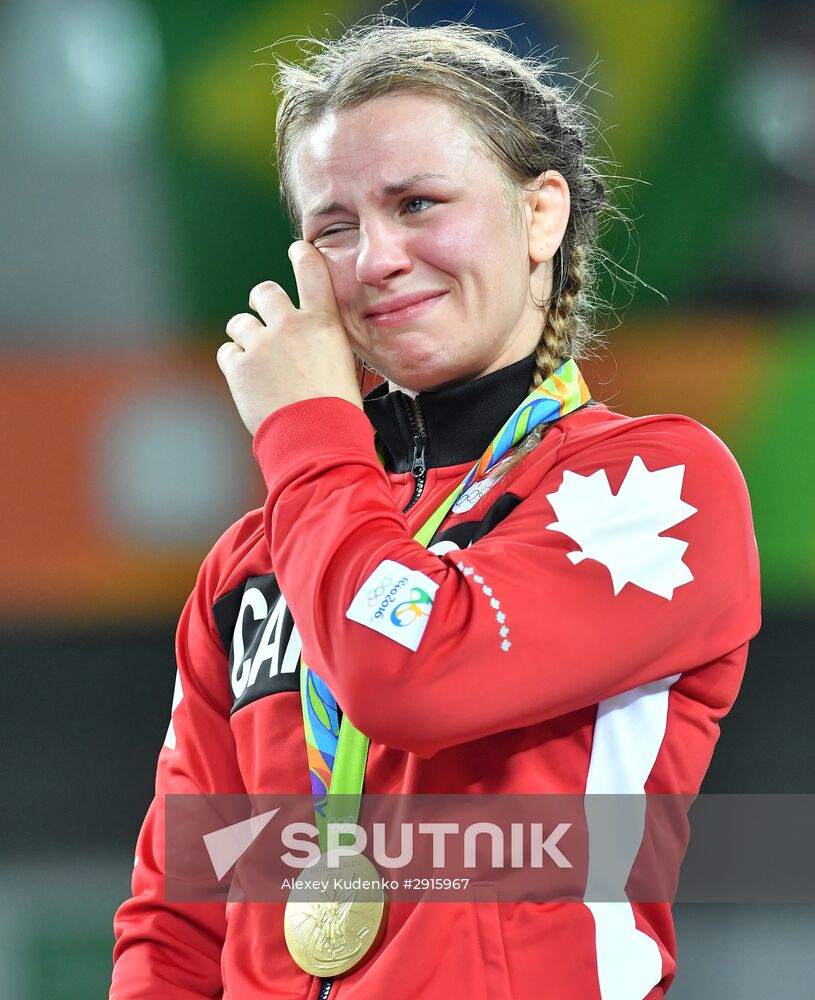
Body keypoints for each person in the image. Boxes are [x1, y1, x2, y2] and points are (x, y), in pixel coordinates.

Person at [110, 18, 761, 1000]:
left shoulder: (650, 488)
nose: (375, 257)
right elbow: (178, 916)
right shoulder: (253, 559)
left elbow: (406, 677)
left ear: (540, 215)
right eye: (334, 226)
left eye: (417, 203)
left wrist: (310, 430)